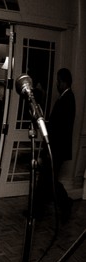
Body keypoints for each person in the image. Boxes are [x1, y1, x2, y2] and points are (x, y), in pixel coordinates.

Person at [42, 67, 75, 219]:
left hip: (57, 149)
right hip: (56, 148)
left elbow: (61, 127)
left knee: (50, 180)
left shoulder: (68, 99)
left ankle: (66, 203)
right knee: (47, 179)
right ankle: (39, 210)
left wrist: (50, 148)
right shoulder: (65, 97)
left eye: (58, 81)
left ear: (64, 82)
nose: (57, 84)